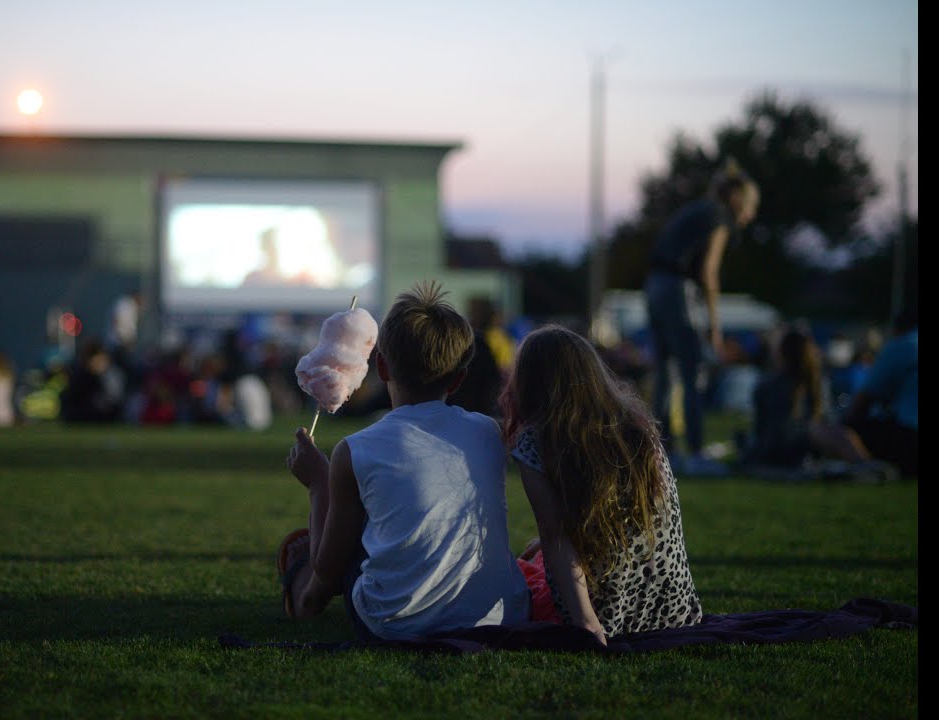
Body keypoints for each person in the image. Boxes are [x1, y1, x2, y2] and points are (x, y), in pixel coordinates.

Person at [277, 281, 531, 641]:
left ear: (379, 366)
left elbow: (329, 568)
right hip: (498, 617)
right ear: (459, 379)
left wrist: (319, 483)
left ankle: (302, 595)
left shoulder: (355, 449)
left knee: (342, 554)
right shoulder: (490, 433)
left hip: (395, 622)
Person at [500, 324, 704, 645]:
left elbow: (558, 540)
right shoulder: (637, 423)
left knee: (514, 573)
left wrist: (587, 624)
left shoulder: (534, 442)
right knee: (536, 552)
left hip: (606, 613)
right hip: (673, 611)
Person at [644, 159, 759, 475]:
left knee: (666, 374)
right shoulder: (718, 217)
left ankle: (663, 452)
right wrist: (714, 325)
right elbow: (709, 272)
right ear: (736, 200)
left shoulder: (696, 210)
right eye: (750, 207)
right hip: (677, 290)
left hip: (654, 286)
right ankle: (695, 452)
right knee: (692, 370)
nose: (749, 216)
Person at [738, 327, 897, 482]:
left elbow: (763, 429)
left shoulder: (781, 384)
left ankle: (864, 464)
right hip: (788, 448)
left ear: (782, 353)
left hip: (784, 447)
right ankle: (864, 464)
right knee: (830, 432)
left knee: (831, 432)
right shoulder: (807, 383)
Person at [842, 305, 918, 477]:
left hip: (910, 436)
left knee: (839, 432)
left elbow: (863, 401)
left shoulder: (903, 345)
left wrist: (843, 428)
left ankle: (867, 466)